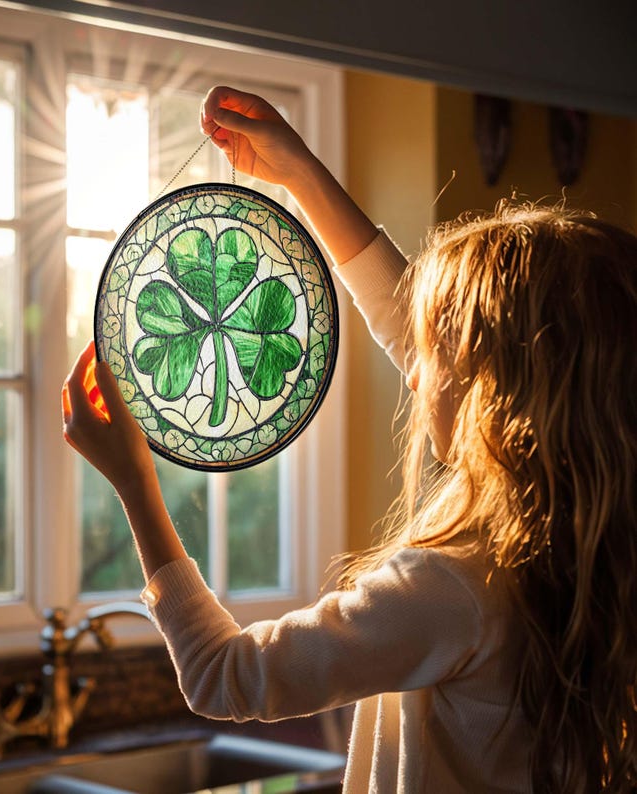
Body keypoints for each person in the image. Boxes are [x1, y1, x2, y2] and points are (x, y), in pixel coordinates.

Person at [62, 86, 637, 793]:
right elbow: (406, 316)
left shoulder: (454, 588)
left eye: (436, 353)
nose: (417, 367)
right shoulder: (582, 538)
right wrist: (299, 172)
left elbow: (225, 676)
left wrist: (133, 481)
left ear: (492, 391)